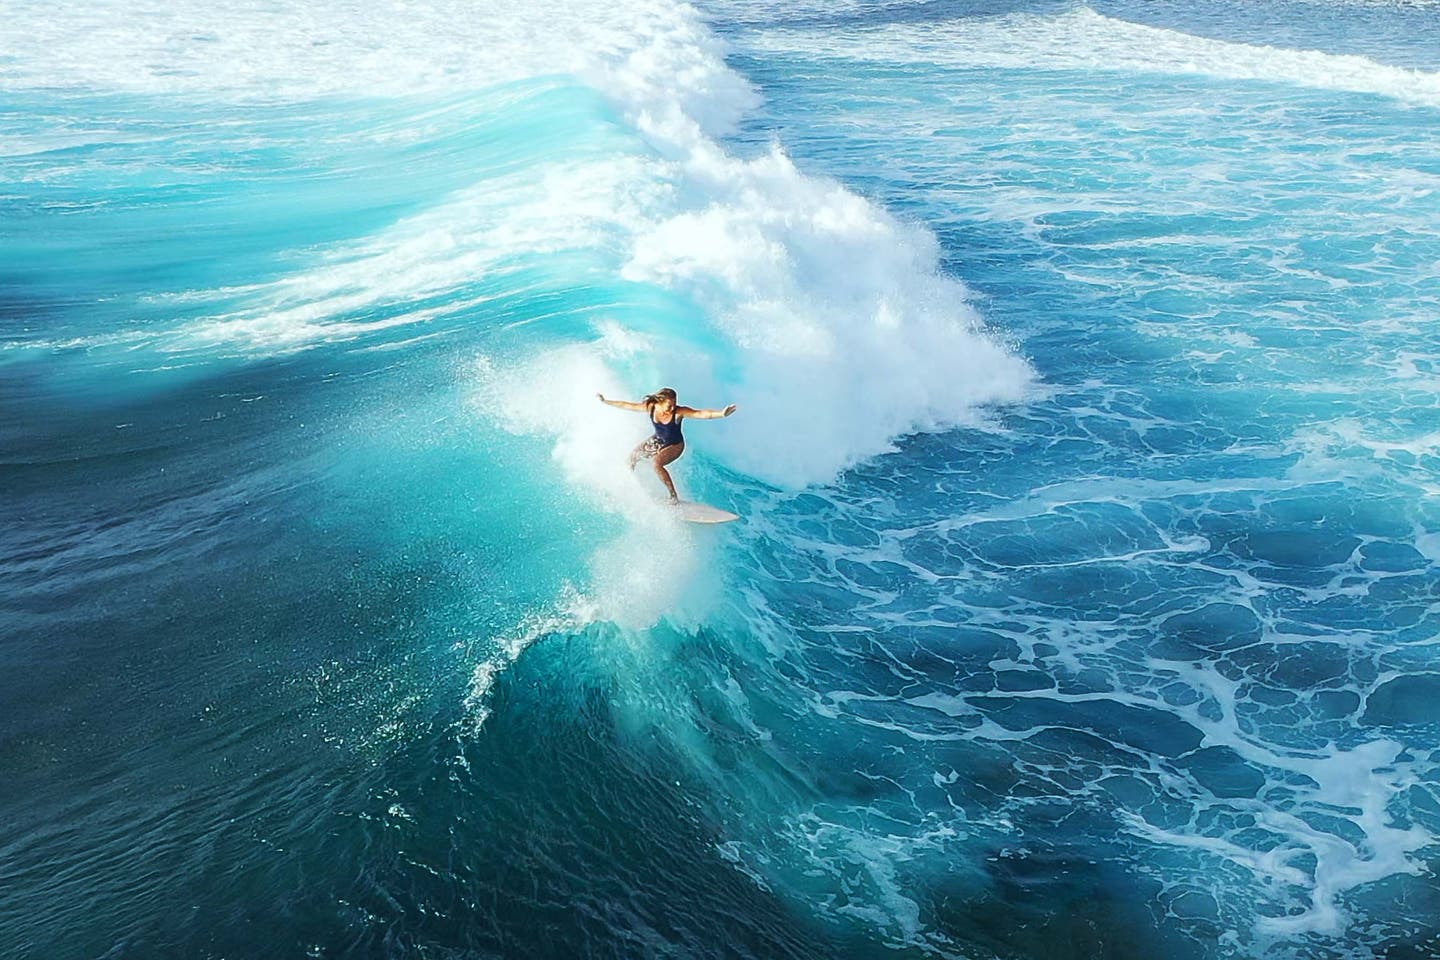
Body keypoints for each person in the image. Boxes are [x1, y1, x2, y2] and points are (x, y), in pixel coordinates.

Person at [596, 387, 737, 503]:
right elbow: (627, 405)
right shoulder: (651, 407)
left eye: (674, 404)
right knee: (632, 457)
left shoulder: (678, 412)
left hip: (675, 444)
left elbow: (700, 413)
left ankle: (673, 496)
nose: (672, 407)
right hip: (659, 440)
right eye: (669, 405)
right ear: (660, 402)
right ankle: (627, 486)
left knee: (657, 463)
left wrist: (722, 414)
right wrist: (605, 401)